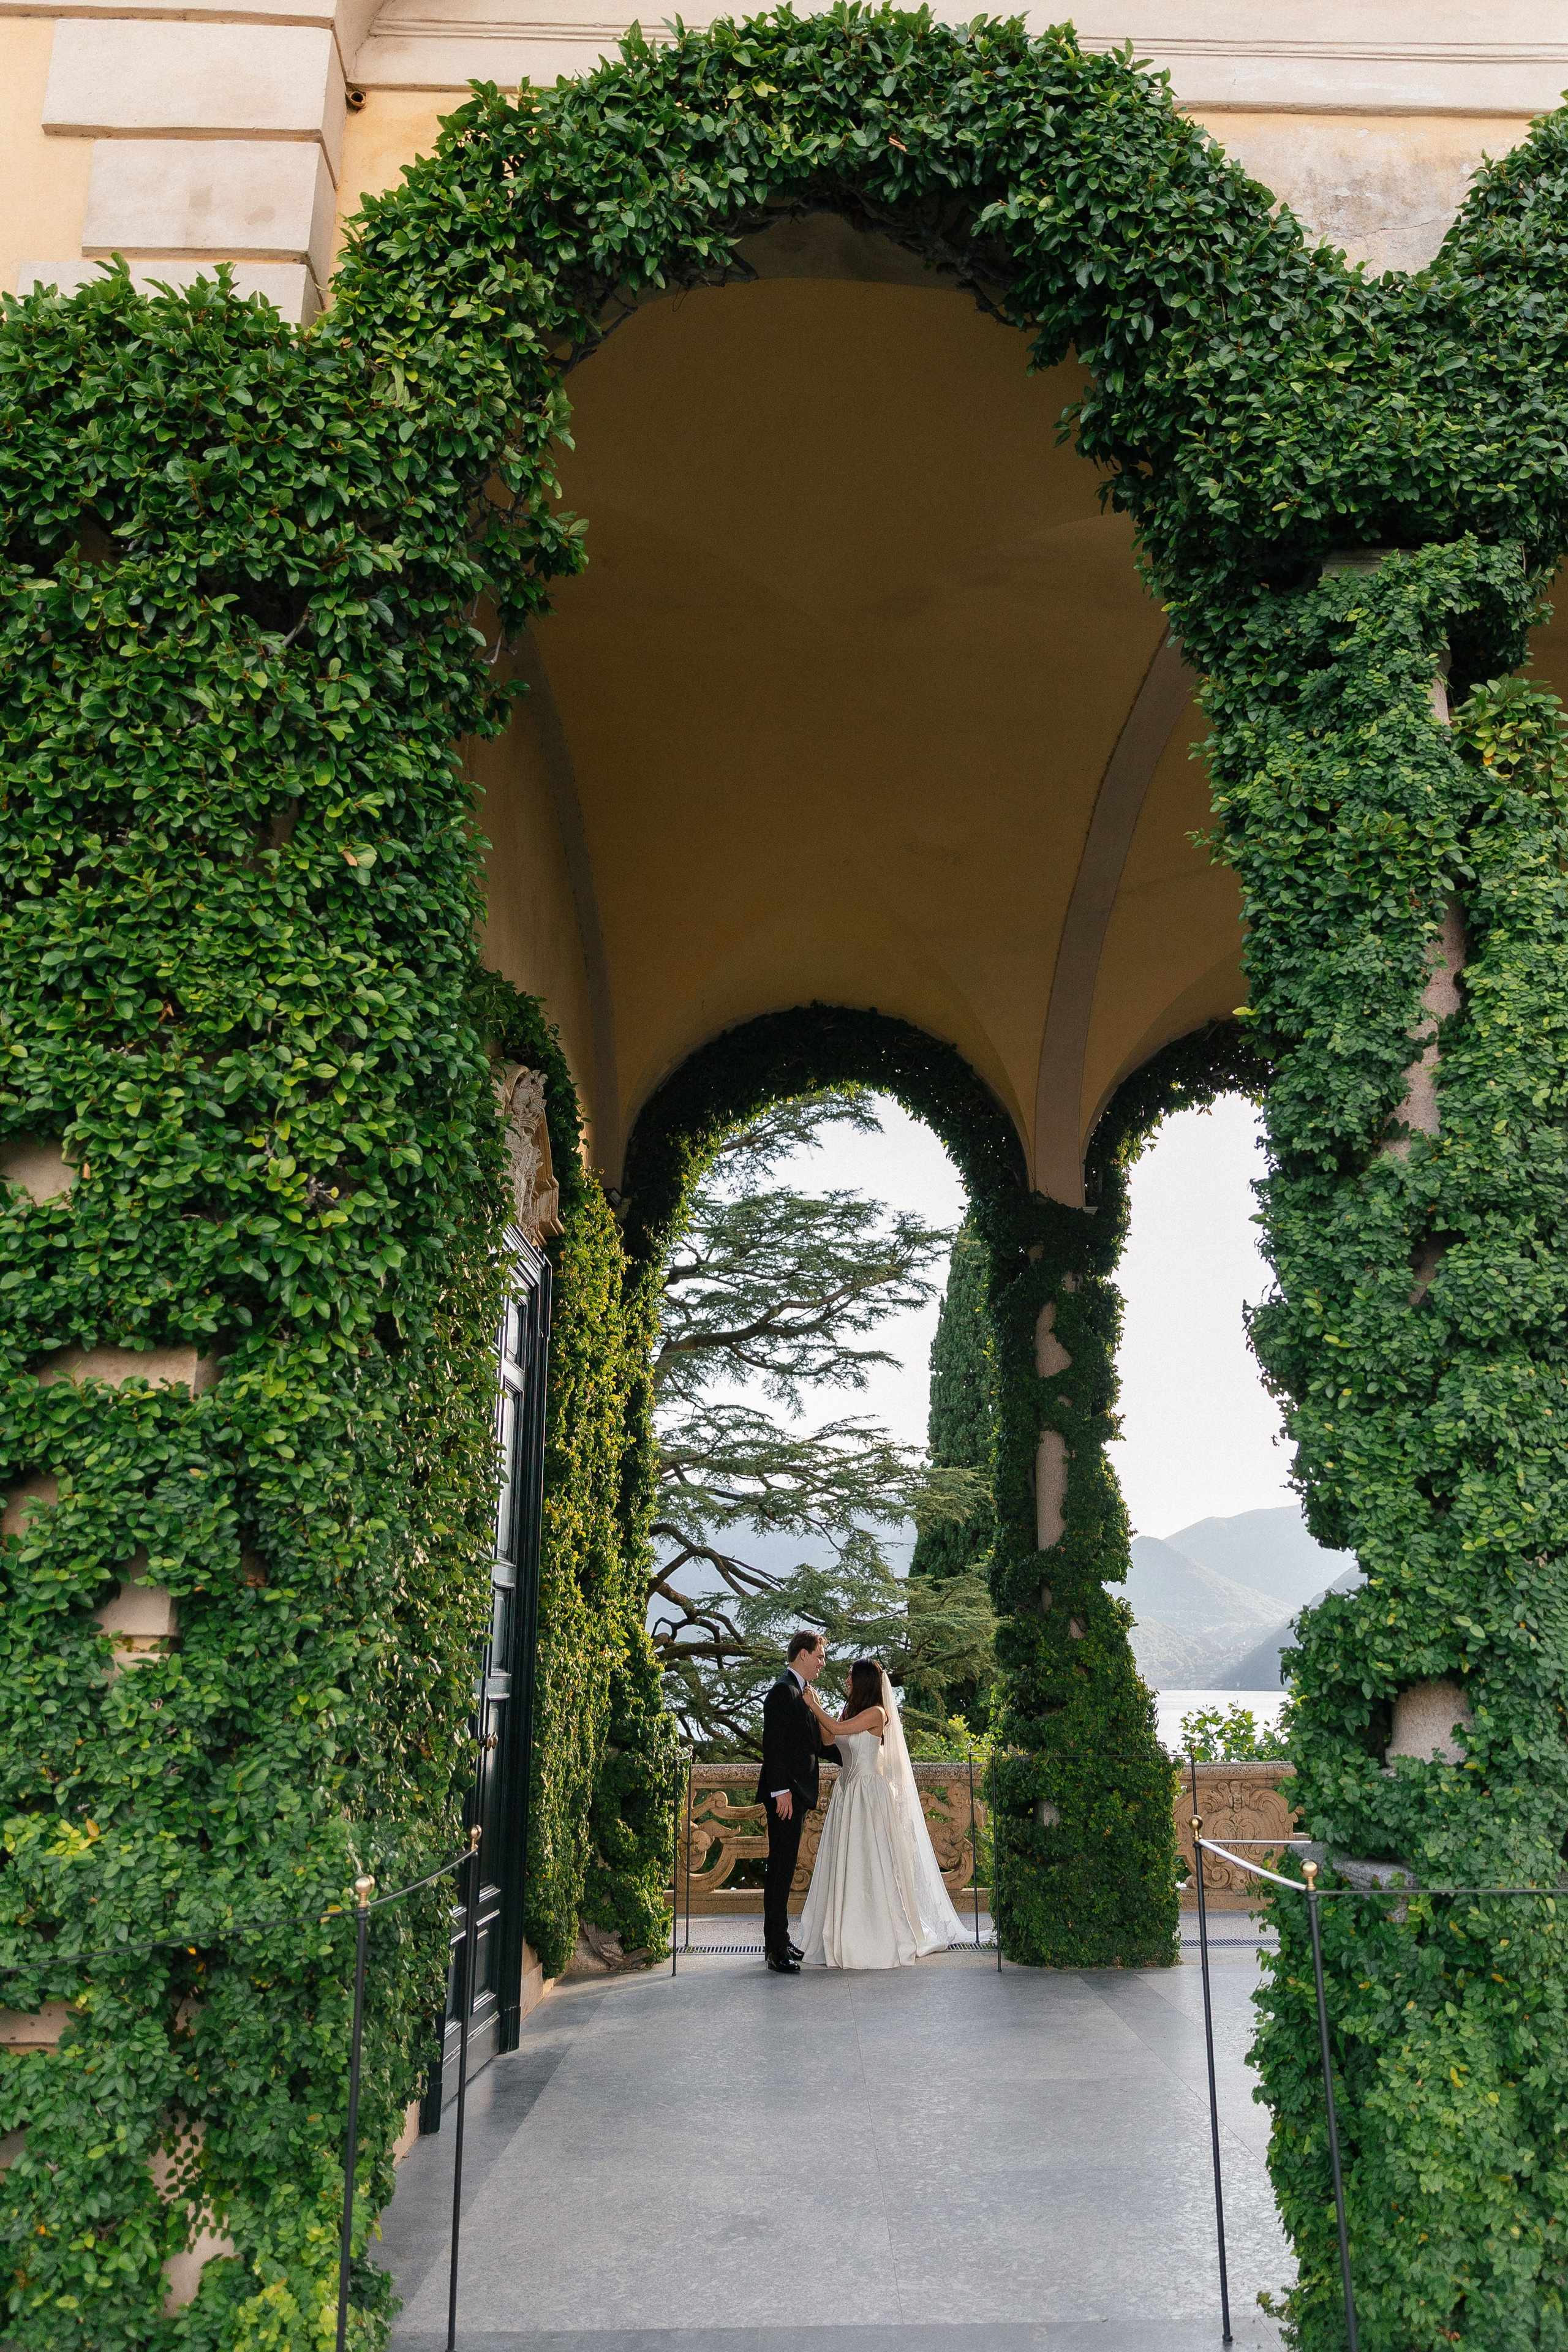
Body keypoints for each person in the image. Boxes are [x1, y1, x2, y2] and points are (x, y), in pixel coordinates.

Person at [797, 1656, 967, 1969]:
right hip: (847, 1792)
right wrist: (820, 1710)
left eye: (851, 1677)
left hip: (868, 1794)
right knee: (847, 1859)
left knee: (871, 1859)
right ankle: (843, 1927)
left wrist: (814, 1705)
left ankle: (877, 1932)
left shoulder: (877, 1713)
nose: (847, 1681)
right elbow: (829, 1737)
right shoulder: (851, 1710)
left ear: (863, 1681)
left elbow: (836, 1728)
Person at [755, 1630, 838, 1974]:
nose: (822, 1663)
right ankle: (775, 1949)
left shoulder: (803, 1693)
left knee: (786, 1868)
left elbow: (814, 1745)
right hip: (787, 1797)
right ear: (803, 1654)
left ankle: (781, 1938)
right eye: (819, 1656)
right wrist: (780, 1792)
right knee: (780, 1869)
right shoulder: (782, 1691)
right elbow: (773, 1746)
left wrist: (854, 1755)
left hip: (796, 1795)